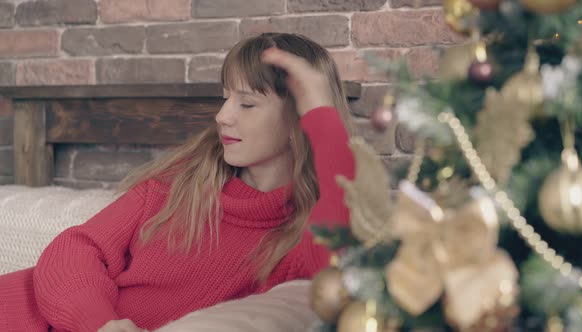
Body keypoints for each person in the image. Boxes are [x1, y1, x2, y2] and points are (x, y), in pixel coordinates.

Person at [0, 32, 355, 332]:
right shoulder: (182, 180)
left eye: (246, 104)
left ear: (300, 123)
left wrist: (322, 116)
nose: (222, 116)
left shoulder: (300, 241)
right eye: (226, 97)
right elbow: (75, 250)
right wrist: (102, 324)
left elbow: (343, 259)